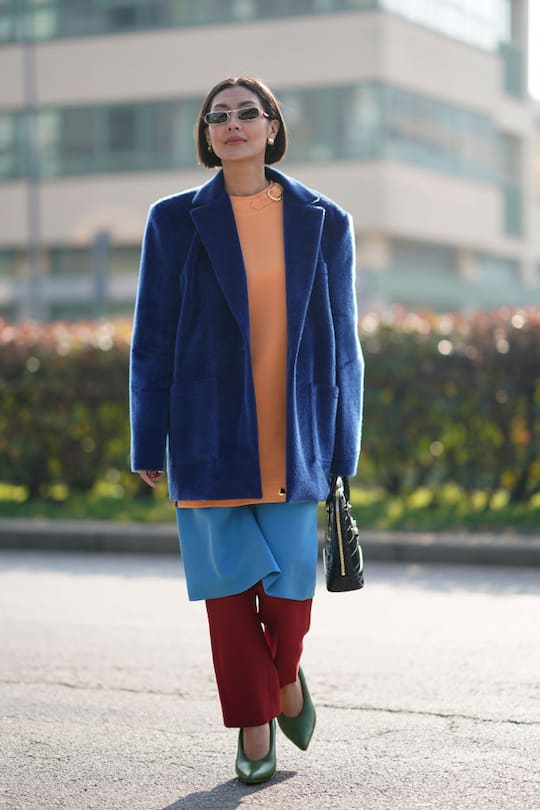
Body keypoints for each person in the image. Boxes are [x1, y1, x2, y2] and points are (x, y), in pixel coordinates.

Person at [129, 76, 364, 784]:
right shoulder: (173, 222)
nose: (233, 124)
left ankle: (286, 679)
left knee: (292, 590)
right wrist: (147, 438)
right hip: (204, 431)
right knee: (229, 595)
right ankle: (255, 732)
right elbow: (152, 337)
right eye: (218, 116)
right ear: (206, 135)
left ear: (271, 127)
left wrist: (344, 443)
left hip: (295, 435)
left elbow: (344, 342)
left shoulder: (324, 220)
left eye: (247, 113)